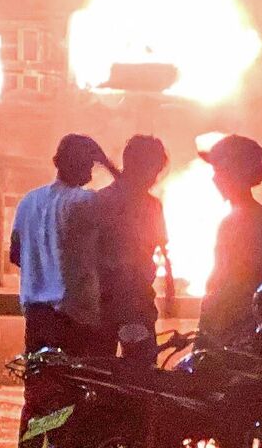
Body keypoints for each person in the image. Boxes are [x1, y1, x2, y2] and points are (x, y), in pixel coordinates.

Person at [10, 134, 116, 358]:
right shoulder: (85, 202)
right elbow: (128, 197)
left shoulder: (29, 200)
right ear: (79, 164)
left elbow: (16, 254)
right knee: (77, 384)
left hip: (36, 315)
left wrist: (42, 269)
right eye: (90, 163)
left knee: (40, 384)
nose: (92, 169)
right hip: (75, 315)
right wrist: (108, 164)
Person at [196, 134, 262, 345]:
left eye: (218, 171)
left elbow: (236, 280)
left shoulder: (245, 220)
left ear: (235, 172)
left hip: (235, 331)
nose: (215, 179)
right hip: (237, 327)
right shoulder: (253, 217)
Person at [95, 134, 170, 367]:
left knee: (98, 369)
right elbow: (159, 246)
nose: (155, 178)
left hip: (101, 301)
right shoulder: (150, 205)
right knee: (141, 371)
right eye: (154, 170)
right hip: (134, 303)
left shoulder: (101, 199)